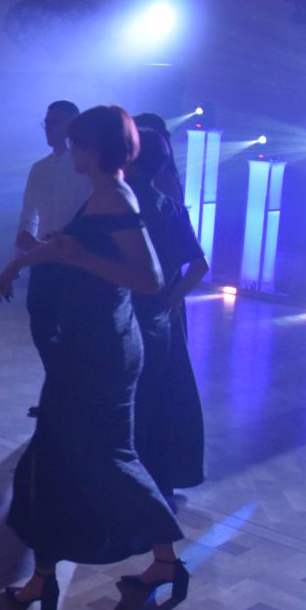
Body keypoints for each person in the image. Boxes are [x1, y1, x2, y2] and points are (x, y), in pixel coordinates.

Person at [0, 106, 188, 610]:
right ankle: (56, 576)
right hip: (94, 344)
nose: (71, 149)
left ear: (96, 149)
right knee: (61, 460)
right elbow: (67, 245)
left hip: (99, 351)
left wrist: (78, 260)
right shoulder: (104, 194)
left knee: (93, 459)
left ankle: (159, 555)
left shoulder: (114, 196)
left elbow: (149, 278)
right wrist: (21, 261)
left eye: (78, 143)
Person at [124, 127, 208, 509]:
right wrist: (173, 299)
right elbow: (199, 266)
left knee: (127, 403)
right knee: (158, 401)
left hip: (125, 316)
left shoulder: (119, 203)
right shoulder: (171, 208)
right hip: (158, 317)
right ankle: (157, 485)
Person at [16, 101, 87, 413]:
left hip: (76, 263)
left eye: (54, 122)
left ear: (72, 125)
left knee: (70, 331)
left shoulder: (85, 168)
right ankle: (59, 392)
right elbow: (28, 216)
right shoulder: (39, 168)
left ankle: (65, 397)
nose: (48, 127)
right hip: (44, 260)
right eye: (46, 122)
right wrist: (23, 253)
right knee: (41, 326)